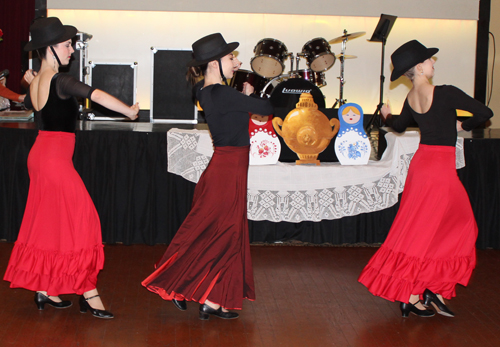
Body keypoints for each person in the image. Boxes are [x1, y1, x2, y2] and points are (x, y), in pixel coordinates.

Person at [3, 17, 139, 319]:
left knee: (49, 224)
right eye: (66, 45)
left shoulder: (38, 79)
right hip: (53, 161)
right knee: (85, 220)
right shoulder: (60, 80)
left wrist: (27, 81)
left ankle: (46, 289)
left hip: (40, 157)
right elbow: (96, 94)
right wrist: (128, 111)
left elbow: (28, 100)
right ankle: (89, 293)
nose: (71, 51)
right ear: (50, 48)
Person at [142, 33, 273, 320]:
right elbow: (267, 109)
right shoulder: (223, 93)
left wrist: (244, 98)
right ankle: (176, 286)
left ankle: (216, 299)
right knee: (224, 234)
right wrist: (260, 95)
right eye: (231, 58)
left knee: (228, 234)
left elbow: (234, 111)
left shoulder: (205, 90)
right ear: (213, 63)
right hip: (228, 171)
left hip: (227, 168)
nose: (237, 62)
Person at [358, 40, 493, 318]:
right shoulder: (446, 93)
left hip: (422, 166)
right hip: (440, 169)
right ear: (419, 68)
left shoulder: (410, 99)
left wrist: (386, 114)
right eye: (430, 61)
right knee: (461, 226)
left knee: (421, 228)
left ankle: (413, 295)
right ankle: (429, 289)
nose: (433, 63)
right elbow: (485, 113)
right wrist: (463, 124)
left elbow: (397, 125)